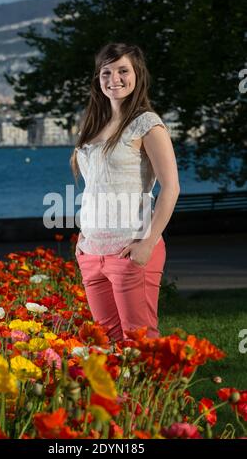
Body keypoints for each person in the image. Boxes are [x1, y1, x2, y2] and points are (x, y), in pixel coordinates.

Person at [70, 43, 180, 342]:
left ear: (137, 74)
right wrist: (84, 240)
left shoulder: (147, 124)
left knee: (140, 342)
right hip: (92, 253)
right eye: (106, 72)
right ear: (98, 78)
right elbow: (96, 187)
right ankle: (120, 393)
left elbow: (171, 188)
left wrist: (147, 243)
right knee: (106, 343)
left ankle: (155, 392)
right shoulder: (95, 125)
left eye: (122, 70)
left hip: (131, 249)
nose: (114, 78)